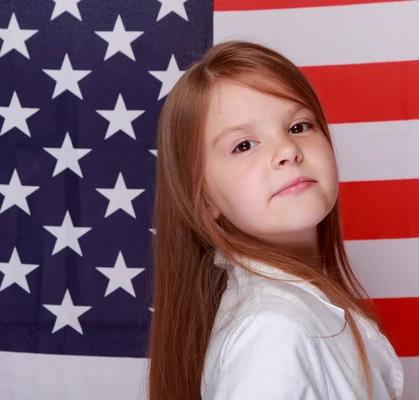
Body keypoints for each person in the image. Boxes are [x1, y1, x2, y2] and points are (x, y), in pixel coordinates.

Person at [146, 40, 404, 400]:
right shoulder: (273, 332)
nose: (287, 150)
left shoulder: (292, 316)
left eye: (299, 126)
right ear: (203, 199)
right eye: (244, 145)